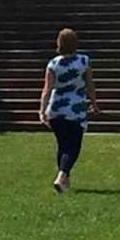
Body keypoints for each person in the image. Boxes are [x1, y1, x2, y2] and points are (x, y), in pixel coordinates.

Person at [40, 27, 92, 192]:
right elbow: (90, 85)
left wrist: (42, 110)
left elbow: (47, 89)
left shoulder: (53, 64)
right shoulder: (83, 61)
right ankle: (62, 175)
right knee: (73, 146)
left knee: (62, 145)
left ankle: (64, 181)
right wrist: (94, 102)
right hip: (75, 109)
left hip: (56, 108)